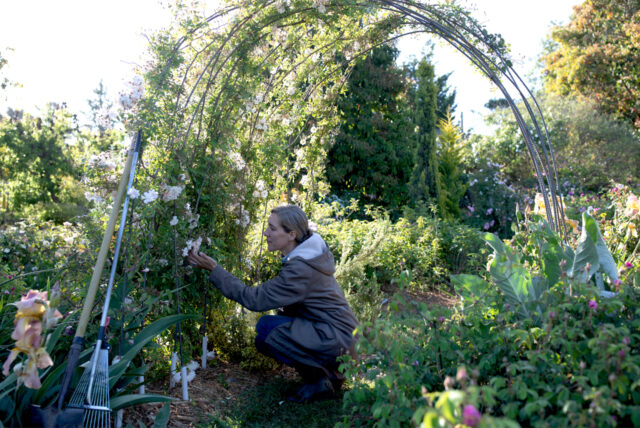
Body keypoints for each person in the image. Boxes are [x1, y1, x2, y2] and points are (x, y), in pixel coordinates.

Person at [187, 205, 358, 403]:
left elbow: (254, 299)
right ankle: (325, 377)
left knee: (266, 328)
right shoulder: (306, 257)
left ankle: (321, 381)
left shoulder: (301, 269)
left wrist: (215, 270)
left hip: (338, 341)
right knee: (265, 339)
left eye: (272, 228)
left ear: (291, 234)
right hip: (339, 338)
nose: (266, 233)